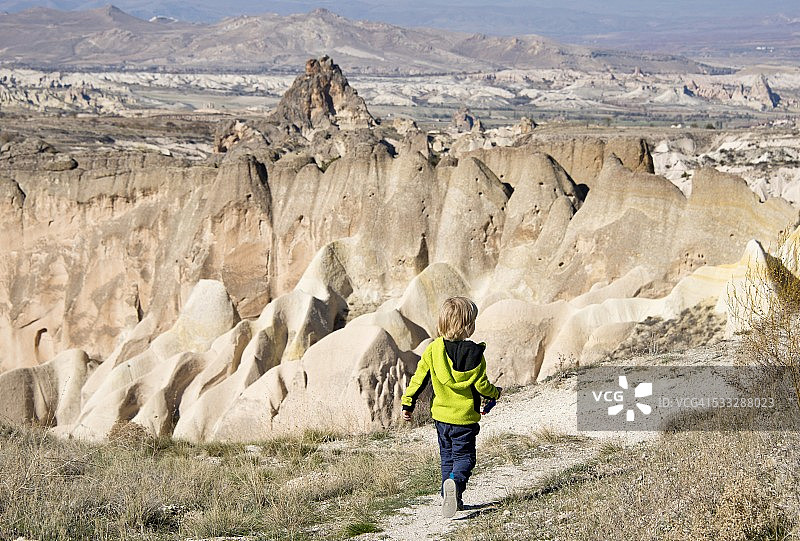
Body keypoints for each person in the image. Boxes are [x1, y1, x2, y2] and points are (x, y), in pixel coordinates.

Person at [401, 296, 501, 518]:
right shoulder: (475, 354)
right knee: (465, 458)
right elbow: (482, 385)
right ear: (469, 326)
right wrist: (495, 393)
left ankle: (451, 496)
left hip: (441, 419)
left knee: (447, 457)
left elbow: (419, 378)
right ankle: (455, 486)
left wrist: (408, 402)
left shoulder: (433, 350)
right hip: (464, 420)